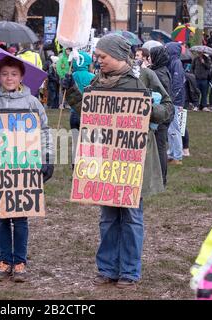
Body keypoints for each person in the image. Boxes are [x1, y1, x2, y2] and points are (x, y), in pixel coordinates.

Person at [66, 34, 168, 287]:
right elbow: (87, 113)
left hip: (134, 160)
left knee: (132, 217)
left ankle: (130, 271)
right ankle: (107, 268)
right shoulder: (96, 83)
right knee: (108, 218)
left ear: (120, 56)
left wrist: (148, 108)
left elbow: (168, 108)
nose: (98, 61)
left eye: (103, 57)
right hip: (105, 159)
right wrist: (71, 92)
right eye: (97, 56)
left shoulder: (144, 78)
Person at [0, 56, 54, 283]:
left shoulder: (32, 102)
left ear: (21, 77)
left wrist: (47, 158)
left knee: (20, 217)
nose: (9, 78)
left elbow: (44, 130)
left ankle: (20, 261)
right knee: (1, 217)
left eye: (14, 74)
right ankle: (5, 260)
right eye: (5, 74)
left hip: (24, 164)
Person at [150, 45, 173, 186]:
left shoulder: (159, 74)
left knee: (160, 147)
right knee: (160, 145)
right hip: (165, 112)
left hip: (161, 113)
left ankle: (161, 179)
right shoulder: (163, 70)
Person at [166, 42, 186, 165]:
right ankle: (172, 153)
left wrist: (172, 98)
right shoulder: (173, 62)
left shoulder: (176, 63)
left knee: (174, 128)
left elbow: (177, 83)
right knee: (170, 129)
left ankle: (177, 156)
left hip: (175, 100)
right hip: (173, 99)